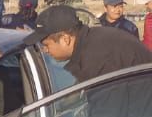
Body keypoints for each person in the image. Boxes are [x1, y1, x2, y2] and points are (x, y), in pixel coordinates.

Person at [24, 5, 152, 83]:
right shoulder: (93, 40)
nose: (45, 50)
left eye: (46, 45)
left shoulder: (98, 59)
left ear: (65, 39)